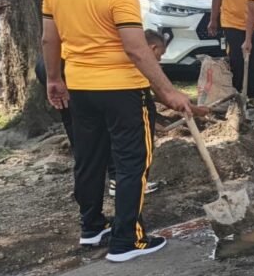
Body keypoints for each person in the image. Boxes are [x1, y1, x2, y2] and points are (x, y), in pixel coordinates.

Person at [41, 0, 193, 262]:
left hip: (80, 89)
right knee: (132, 162)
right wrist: (168, 92)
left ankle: (91, 227)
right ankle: (127, 239)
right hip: (123, 90)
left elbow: (49, 40)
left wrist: (54, 79)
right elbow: (137, 49)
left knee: (89, 158)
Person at [35, 30, 187, 197]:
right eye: (160, 54)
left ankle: (86, 189)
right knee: (109, 126)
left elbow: (48, 39)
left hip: (51, 62)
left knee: (78, 130)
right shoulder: (133, 52)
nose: (159, 60)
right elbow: (151, 88)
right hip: (72, 67)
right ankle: (116, 181)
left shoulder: (116, 40)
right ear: (152, 48)